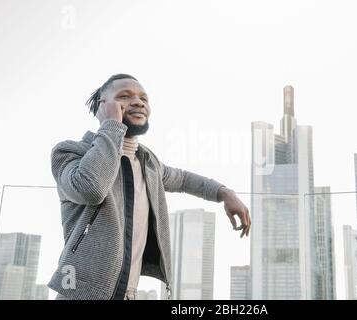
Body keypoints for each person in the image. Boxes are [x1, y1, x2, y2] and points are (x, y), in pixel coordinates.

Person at [50, 74, 251, 300]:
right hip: (81, 293)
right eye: (124, 96)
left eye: (144, 98)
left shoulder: (149, 163)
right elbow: (92, 188)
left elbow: (183, 179)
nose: (138, 102)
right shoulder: (71, 152)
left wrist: (224, 193)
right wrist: (111, 125)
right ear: (102, 107)